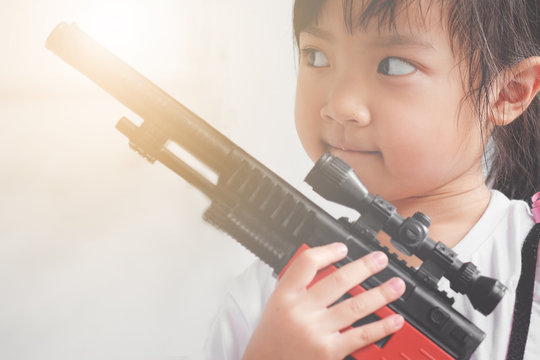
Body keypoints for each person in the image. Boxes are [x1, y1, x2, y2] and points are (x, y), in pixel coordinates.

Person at [204, 0, 540, 359]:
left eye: (393, 66)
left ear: (508, 92)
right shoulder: (270, 295)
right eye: (316, 56)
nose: (340, 104)